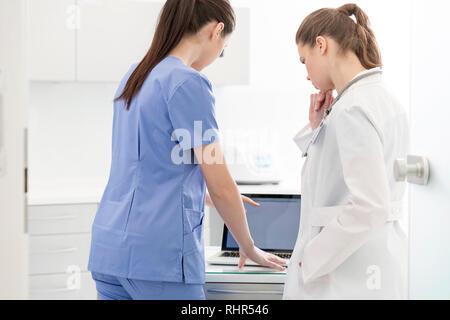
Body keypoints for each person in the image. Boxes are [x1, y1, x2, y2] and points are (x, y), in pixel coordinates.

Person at [87, 0, 286, 301]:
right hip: (159, 259)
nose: (219, 55)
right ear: (217, 30)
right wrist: (248, 246)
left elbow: (145, 167)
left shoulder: (134, 76)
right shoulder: (188, 82)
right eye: (225, 46)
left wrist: (195, 196)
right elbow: (220, 183)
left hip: (110, 252)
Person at [283, 3, 409, 300]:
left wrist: (311, 258)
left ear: (321, 45)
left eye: (304, 61)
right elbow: (336, 171)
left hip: (346, 274)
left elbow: (370, 206)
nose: (306, 73)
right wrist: (317, 126)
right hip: (374, 263)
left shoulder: (353, 108)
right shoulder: (379, 98)